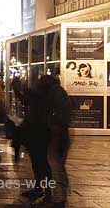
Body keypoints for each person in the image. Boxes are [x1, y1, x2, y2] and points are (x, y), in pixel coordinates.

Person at [44, 75, 71, 208]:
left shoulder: (55, 93)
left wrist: (53, 124)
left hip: (57, 133)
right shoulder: (60, 93)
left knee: (56, 165)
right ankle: (60, 194)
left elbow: (56, 112)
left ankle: (59, 197)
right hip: (60, 132)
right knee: (57, 165)